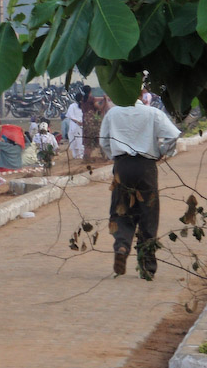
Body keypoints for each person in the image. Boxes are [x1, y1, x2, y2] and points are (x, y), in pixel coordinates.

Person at [100, 104, 180, 279]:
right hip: (146, 168)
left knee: (121, 210)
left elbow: (103, 141)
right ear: (142, 91)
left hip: (122, 167)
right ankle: (146, 266)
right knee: (148, 214)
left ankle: (122, 246)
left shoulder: (113, 113)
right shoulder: (152, 112)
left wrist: (115, 157)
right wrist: (163, 152)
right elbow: (173, 135)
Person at [65, 94, 85, 159]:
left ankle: (81, 155)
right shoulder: (72, 106)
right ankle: (75, 155)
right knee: (74, 140)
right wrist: (77, 122)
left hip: (80, 126)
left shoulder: (83, 106)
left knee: (80, 140)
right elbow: (70, 116)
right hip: (75, 125)